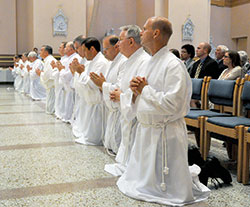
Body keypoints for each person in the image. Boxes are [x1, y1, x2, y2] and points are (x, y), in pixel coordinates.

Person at [117, 16, 210, 206]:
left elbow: (174, 104)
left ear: (156, 33)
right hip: (147, 129)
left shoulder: (173, 65)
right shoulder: (148, 62)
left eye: (145, 28)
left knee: (165, 188)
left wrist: (144, 90)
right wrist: (135, 93)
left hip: (165, 131)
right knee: (139, 182)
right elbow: (141, 93)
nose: (141, 32)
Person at [105, 25, 150, 176]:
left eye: (120, 40)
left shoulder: (144, 61)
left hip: (137, 115)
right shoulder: (128, 61)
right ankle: (126, 161)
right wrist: (118, 93)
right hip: (127, 110)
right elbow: (121, 84)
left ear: (131, 42)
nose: (117, 44)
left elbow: (139, 89)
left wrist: (121, 96)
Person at [90, 35, 127, 155]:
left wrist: (103, 85)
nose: (104, 52)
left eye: (106, 49)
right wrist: (103, 85)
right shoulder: (112, 62)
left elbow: (119, 89)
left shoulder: (124, 62)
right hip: (111, 108)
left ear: (116, 47)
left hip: (119, 109)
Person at [74, 37, 109, 145]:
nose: (83, 53)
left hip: (97, 100)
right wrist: (79, 72)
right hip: (89, 100)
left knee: (94, 133)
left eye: (85, 50)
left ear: (92, 49)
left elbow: (93, 84)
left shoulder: (101, 62)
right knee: (87, 129)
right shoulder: (91, 62)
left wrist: (81, 73)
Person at [59, 41, 81, 123]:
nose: (64, 49)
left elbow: (70, 73)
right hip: (66, 85)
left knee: (71, 103)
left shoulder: (75, 58)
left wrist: (61, 71)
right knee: (67, 102)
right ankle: (67, 116)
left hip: (71, 84)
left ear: (71, 49)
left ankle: (70, 117)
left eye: (66, 47)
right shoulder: (68, 58)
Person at [36, 45, 57, 114]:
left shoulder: (50, 60)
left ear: (46, 52)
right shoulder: (47, 60)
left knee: (52, 98)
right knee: (50, 98)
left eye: (41, 50)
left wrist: (40, 74)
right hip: (50, 85)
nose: (40, 52)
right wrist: (42, 73)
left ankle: (51, 111)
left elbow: (49, 75)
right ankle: (50, 110)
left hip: (51, 84)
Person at [51, 42, 67, 119]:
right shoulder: (62, 59)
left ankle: (60, 113)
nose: (59, 49)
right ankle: (58, 112)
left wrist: (55, 68)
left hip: (63, 84)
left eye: (60, 47)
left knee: (62, 99)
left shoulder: (66, 60)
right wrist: (55, 67)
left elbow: (58, 73)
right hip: (58, 84)